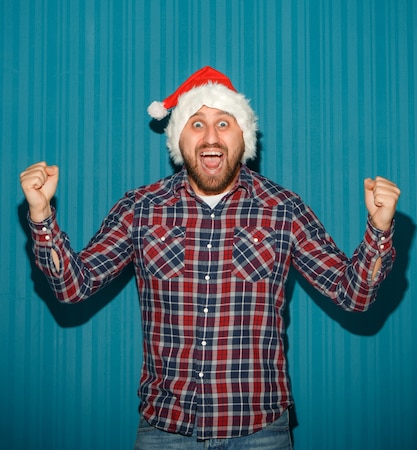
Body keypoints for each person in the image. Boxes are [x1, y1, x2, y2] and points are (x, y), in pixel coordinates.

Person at [20, 66, 400, 450]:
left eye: (224, 122)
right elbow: (73, 287)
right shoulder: (140, 209)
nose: (211, 136)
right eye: (197, 124)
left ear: (244, 137)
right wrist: (41, 215)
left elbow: (352, 296)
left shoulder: (283, 209)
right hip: (165, 430)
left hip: (261, 431)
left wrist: (379, 228)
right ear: (178, 138)